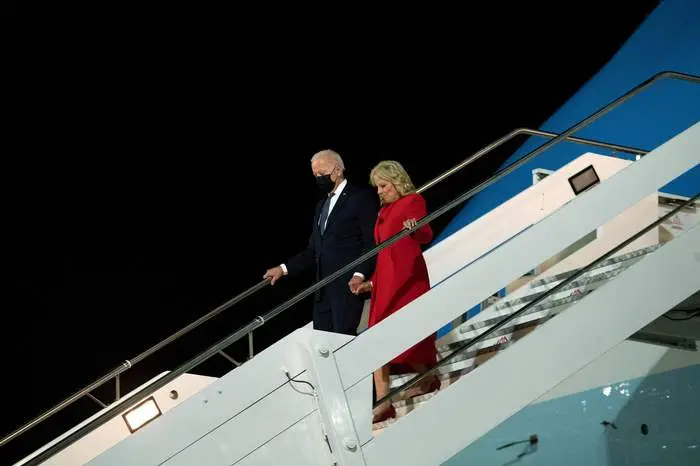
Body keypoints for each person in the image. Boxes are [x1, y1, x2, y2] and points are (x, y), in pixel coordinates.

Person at [349, 160, 439, 423]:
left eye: (383, 185)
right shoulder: (383, 212)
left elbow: (426, 234)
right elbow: (384, 254)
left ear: (396, 181)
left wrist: (416, 227)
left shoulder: (412, 201)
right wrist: (372, 282)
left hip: (407, 280)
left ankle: (428, 377)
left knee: (404, 336)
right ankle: (385, 401)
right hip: (385, 283)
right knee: (378, 340)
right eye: (377, 187)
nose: (379, 191)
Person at [264, 149, 378, 335]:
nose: (318, 178)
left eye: (322, 173)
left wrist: (360, 274)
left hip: (347, 286)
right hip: (322, 290)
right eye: (315, 175)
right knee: (323, 343)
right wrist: (283, 269)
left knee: (344, 340)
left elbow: (371, 242)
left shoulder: (360, 198)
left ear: (338, 170)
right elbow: (314, 250)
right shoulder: (321, 206)